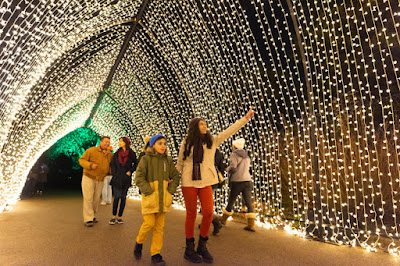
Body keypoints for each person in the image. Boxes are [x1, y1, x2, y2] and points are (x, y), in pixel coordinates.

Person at [177, 106, 255, 263]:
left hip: (206, 181)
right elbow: (180, 163)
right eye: (201, 124)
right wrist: (169, 176)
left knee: (207, 212)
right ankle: (189, 249)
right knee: (191, 215)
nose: (205, 126)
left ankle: (202, 246)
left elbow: (229, 131)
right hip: (189, 182)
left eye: (205, 124)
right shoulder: (186, 142)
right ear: (194, 128)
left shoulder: (212, 141)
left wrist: (245, 119)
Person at [133, 134, 180, 266]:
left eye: (164, 144)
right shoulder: (145, 159)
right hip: (150, 198)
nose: (163, 146)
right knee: (149, 223)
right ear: (153, 145)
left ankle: (156, 254)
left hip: (163, 199)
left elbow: (175, 176)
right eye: (160, 143)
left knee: (159, 228)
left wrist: (170, 191)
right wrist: (148, 191)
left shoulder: (168, 160)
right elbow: (139, 178)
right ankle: (139, 242)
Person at [220, 138, 256, 232]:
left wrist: (227, 169)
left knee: (231, 200)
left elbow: (233, 168)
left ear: (235, 146)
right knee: (248, 202)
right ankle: (251, 225)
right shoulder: (247, 156)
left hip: (237, 180)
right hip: (247, 180)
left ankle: (223, 220)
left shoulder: (234, 155)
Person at [79, 136, 113, 227]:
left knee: (96, 199)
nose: (107, 144)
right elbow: (81, 160)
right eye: (106, 142)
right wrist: (90, 165)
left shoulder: (109, 154)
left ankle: (92, 215)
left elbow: (111, 165)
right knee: (88, 198)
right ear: (101, 142)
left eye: (108, 142)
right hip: (89, 177)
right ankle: (88, 219)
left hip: (101, 179)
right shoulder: (91, 150)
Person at [109, 137, 137, 224]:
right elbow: (112, 164)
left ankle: (120, 216)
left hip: (126, 178)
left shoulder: (131, 153)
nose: (119, 143)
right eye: (119, 141)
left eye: (121, 141)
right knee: (117, 196)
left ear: (125, 142)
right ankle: (114, 216)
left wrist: (130, 171)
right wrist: (114, 173)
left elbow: (136, 163)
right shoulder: (117, 153)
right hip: (117, 178)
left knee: (123, 198)